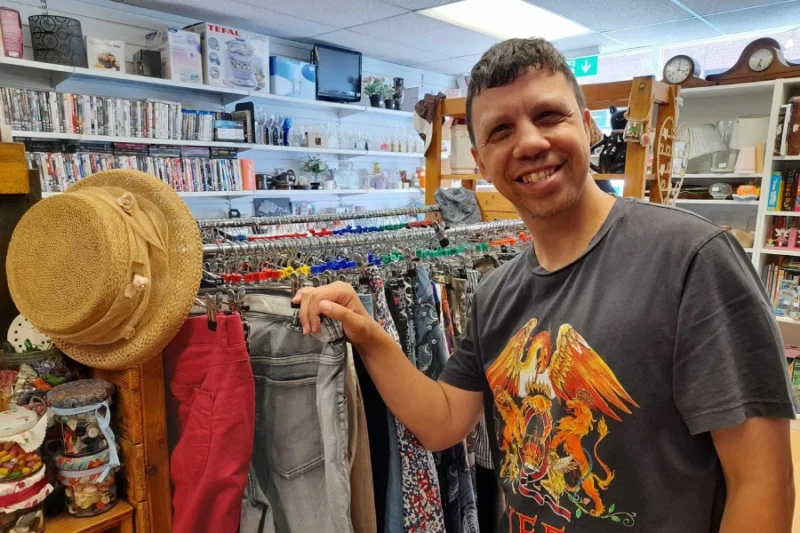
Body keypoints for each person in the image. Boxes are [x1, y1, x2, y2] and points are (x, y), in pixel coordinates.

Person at [294, 38, 797, 533]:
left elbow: (762, 484)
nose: (531, 142)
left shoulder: (691, 259)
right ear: (481, 159)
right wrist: (369, 333)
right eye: (502, 130)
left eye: (550, 116)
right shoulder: (496, 292)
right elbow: (443, 421)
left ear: (589, 124)